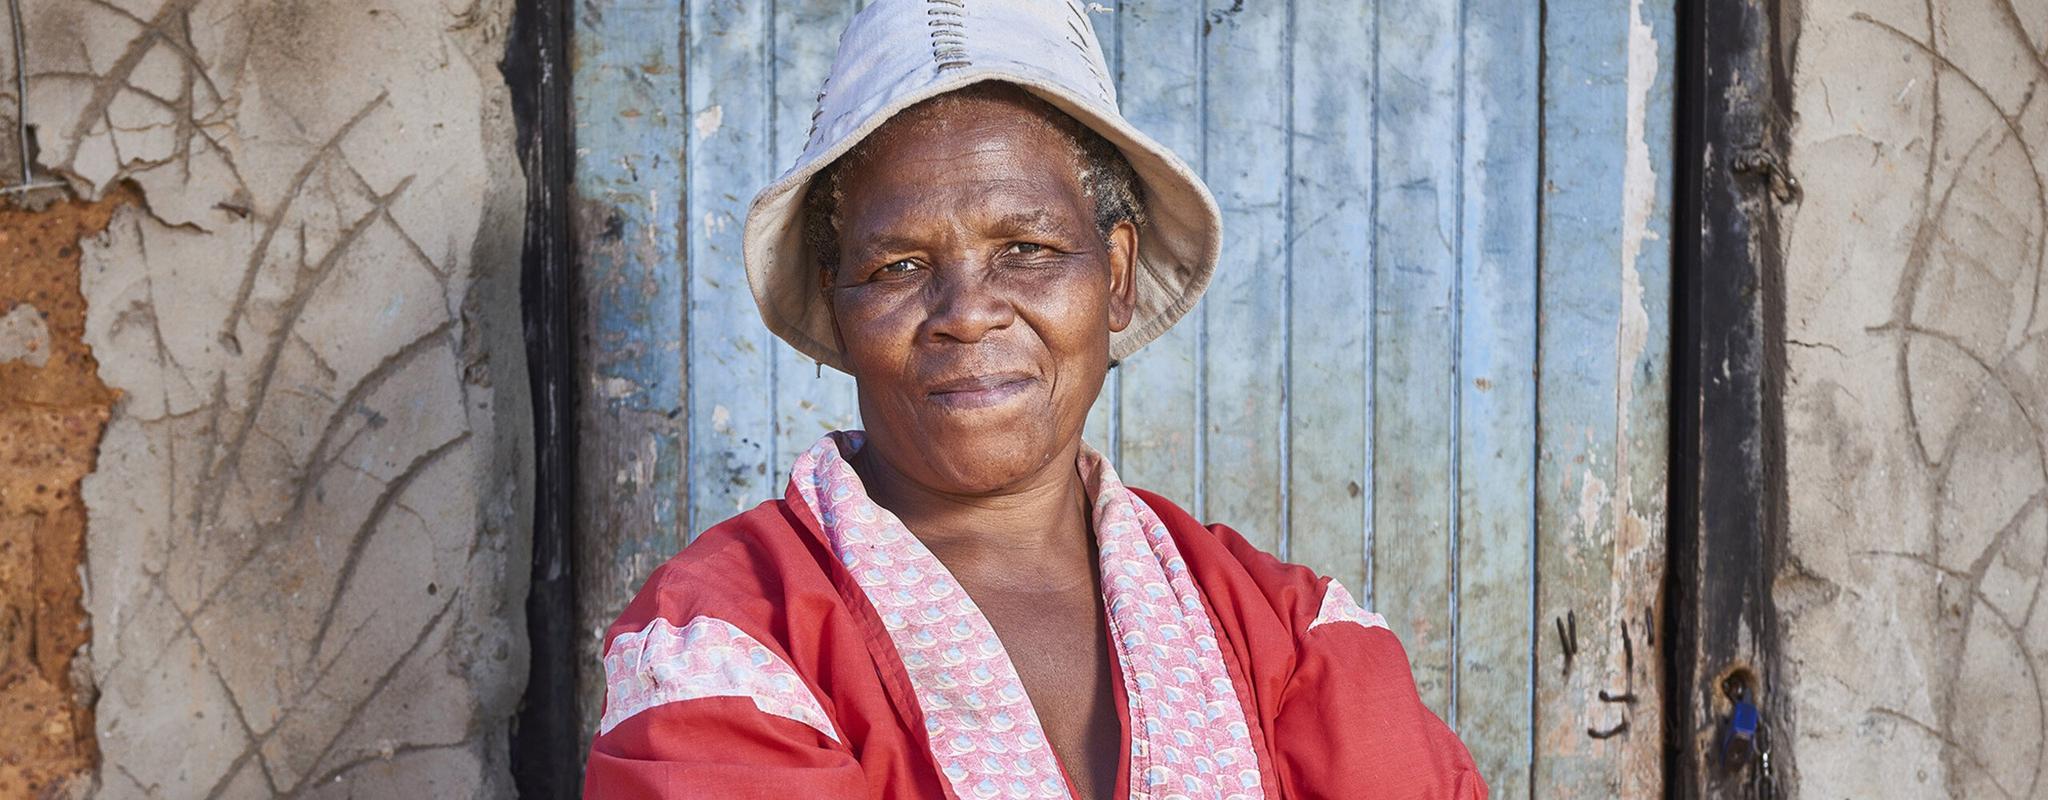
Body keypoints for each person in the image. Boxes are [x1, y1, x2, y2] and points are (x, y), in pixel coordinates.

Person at [584, 1, 1484, 797]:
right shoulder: (727, 648)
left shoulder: (1287, 636)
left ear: (1117, 277)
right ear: (836, 301)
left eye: (1028, 248)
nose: (967, 314)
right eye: (899, 266)